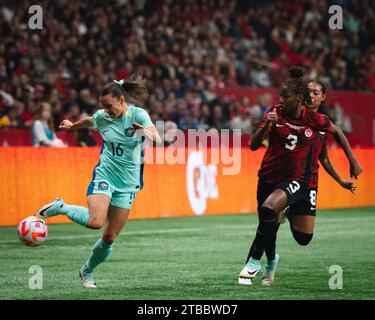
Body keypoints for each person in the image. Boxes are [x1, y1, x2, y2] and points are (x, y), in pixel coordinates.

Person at [238, 67, 362, 287]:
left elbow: (324, 156)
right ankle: (267, 263)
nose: (281, 100)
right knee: (268, 222)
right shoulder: (275, 112)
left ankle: (256, 260)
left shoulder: (318, 121)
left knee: (301, 236)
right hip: (272, 177)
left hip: (303, 182)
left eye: (317, 92)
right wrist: (268, 124)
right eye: (310, 91)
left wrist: (350, 163)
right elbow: (254, 145)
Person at [35, 75, 161, 288]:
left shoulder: (138, 114)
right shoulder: (103, 117)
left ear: (122, 101)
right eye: (103, 106)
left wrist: (145, 132)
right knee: (95, 222)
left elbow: (157, 139)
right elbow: (91, 121)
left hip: (128, 183)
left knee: (110, 237)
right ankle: (61, 207)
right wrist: (73, 126)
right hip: (105, 175)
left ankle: (87, 271)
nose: (106, 110)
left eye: (109, 105)